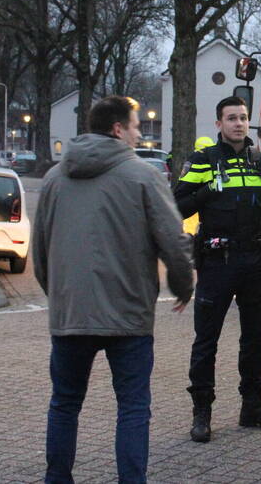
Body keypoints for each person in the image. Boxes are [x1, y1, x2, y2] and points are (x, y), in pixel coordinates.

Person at [32, 95, 194, 484]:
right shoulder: (142, 175)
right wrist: (182, 283)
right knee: (133, 407)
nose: (140, 134)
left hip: (72, 315)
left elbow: (39, 249)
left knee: (65, 404)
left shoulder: (55, 178)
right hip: (129, 315)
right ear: (119, 129)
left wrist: (60, 296)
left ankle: (57, 479)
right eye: (136, 126)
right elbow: (172, 238)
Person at [173, 96, 261, 443]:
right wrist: (208, 191)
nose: (239, 123)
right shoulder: (203, 160)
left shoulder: (258, 160)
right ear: (218, 124)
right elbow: (176, 204)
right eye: (231, 118)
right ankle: (201, 414)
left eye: (243, 117)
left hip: (254, 262)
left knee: (254, 339)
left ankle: (252, 407)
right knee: (207, 341)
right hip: (217, 263)